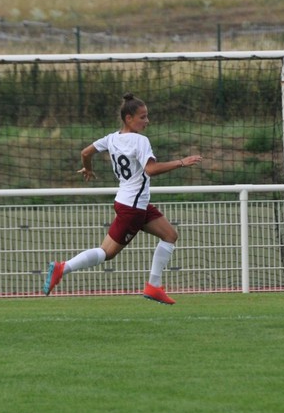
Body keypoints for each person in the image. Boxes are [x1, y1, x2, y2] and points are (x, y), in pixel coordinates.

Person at [44, 93, 202, 305]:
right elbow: (151, 169)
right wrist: (182, 162)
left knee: (170, 235)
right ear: (129, 118)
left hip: (133, 203)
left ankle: (153, 287)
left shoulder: (111, 138)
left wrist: (88, 169)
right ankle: (63, 268)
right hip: (133, 208)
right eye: (143, 117)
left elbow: (85, 152)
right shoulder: (140, 140)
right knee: (106, 253)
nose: (147, 121)